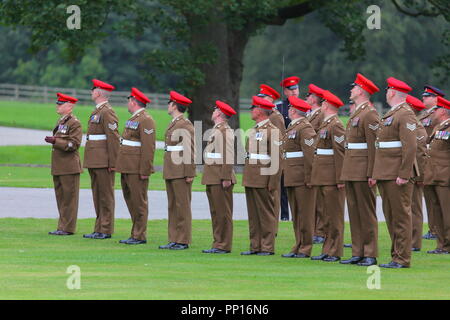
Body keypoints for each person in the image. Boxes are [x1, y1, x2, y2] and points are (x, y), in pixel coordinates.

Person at [372, 77, 417, 268]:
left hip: (397, 173)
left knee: (400, 217)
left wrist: (404, 173)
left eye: (388, 90)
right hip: (386, 172)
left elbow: (410, 145)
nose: (386, 93)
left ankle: (402, 258)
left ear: (392, 93)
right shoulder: (393, 113)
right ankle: (396, 255)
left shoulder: (405, 114)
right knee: (391, 216)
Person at [340, 73, 380, 267]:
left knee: (366, 212)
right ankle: (358, 251)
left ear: (362, 91)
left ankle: (370, 253)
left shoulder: (369, 113)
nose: (351, 90)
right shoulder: (357, 112)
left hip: (363, 169)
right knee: (354, 212)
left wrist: (373, 172)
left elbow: (374, 146)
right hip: (351, 168)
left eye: (354, 87)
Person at [241, 96, 281, 256]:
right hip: (251, 177)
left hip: (264, 179)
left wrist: (273, 182)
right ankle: (255, 245)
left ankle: (267, 247)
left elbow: (277, 159)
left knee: (265, 214)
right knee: (253, 215)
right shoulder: (254, 130)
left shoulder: (273, 131)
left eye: (253, 108)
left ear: (260, 111)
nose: (251, 110)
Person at [115, 88, 156, 245]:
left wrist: (145, 170)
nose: (128, 103)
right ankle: (135, 233)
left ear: (133, 102)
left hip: (136, 167)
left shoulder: (145, 119)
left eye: (129, 101)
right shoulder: (134, 118)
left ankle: (139, 235)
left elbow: (148, 147)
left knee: (139, 202)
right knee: (130, 200)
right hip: (126, 165)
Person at [310, 90, 346, 262]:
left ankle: (335, 251)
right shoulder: (327, 124)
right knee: (326, 217)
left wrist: (340, 178)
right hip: (323, 176)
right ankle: (327, 249)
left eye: (323, 103)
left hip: (332, 177)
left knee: (334, 216)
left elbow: (340, 153)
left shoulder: (336, 125)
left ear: (326, 105)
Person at [83, 79, 120, 240]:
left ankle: (105, 229)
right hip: (95, 159)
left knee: (105, 195)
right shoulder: (97, 111)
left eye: (93, 90)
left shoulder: (107, 112)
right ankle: (99, 228)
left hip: (104, 160)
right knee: (97, 195)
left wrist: (113, 162)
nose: (91, 92)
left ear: (98, 92)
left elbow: (113, 139)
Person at [280, 96, 317, 258]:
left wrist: (310, 178)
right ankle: (298, 244)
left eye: (290, 108)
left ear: (293, 110)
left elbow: (310, 156)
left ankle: (306, 247)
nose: (288, 110)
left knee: (305, 214)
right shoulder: (293, 127)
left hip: (302, 177)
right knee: (296, 213)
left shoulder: (305, 128)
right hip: (292, 176)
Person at [159, 91, 195, 250]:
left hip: (181, 171)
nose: (168, 106)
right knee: (173, 206)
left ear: (174, 105)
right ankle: (174, 238)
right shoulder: (175, 123)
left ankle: (183, 240)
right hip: (172, 169)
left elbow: (190, 150)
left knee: (182, 206)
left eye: (169, 103)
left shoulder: (185, 124)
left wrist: (189, 172)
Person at [201, 100, 237, 254]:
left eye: (215, 109)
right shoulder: (217, 130)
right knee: (216, 213)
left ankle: (223, 244)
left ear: (219, 113)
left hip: (220, 177)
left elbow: (228, 155)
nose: (213, 111)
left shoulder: (224, 131)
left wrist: (226, 177)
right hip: (213, 176)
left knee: (223, 213)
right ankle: (217, 243)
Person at [46, 93, 82, 236]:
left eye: (61, 104)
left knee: (69, 199)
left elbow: (74, 144)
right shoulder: (61, 121)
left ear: (69, 106)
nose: (58, 106)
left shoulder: (74, 123)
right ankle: (62, 226)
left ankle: (68, 228)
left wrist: (56, 141)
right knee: (61, 197)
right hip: (59, 166)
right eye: (58, 104)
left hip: (69, 167)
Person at [424, 96, 450, 255]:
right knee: (437, 213)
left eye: (436, 109)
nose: (432, 113)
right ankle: (442, 245)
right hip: (433, 175)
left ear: (443, 111)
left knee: (447, 213)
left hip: (445, 176)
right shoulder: (438, 127)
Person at [258, 84, 287, 225]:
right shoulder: (267, 115)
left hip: (273, 161)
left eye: (263, 98)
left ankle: (273, 226)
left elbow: (279, 141)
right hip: (264, 161)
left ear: (270, 99)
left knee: (274, 196)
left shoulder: (275, 117)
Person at [420, 85, 446, 240]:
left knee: (437, 199)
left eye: (427, 96)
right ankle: (433, 228)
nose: (423, 98)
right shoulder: (426, 115)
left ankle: (437, 229)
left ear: (436, 99)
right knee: (430, 198)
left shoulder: (439, 116)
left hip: (436, 160)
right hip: (427, 159)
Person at [405, 95, 428, 252]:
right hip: (413, 172)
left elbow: (420, 154)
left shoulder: (417, 128)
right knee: (411, 207)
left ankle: (415, 242)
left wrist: (421, 176)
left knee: (415, 208)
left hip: (416, 174)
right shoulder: (413, 124)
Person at [306, 83, 327, 244]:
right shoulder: (311, 114)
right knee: (313, 198)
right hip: (311, 158)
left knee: (320, 199)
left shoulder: (320, 115)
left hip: (317, 158)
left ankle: (321, 230)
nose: (306, 98)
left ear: (314, 99)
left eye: (309, 96)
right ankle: (314, 229)